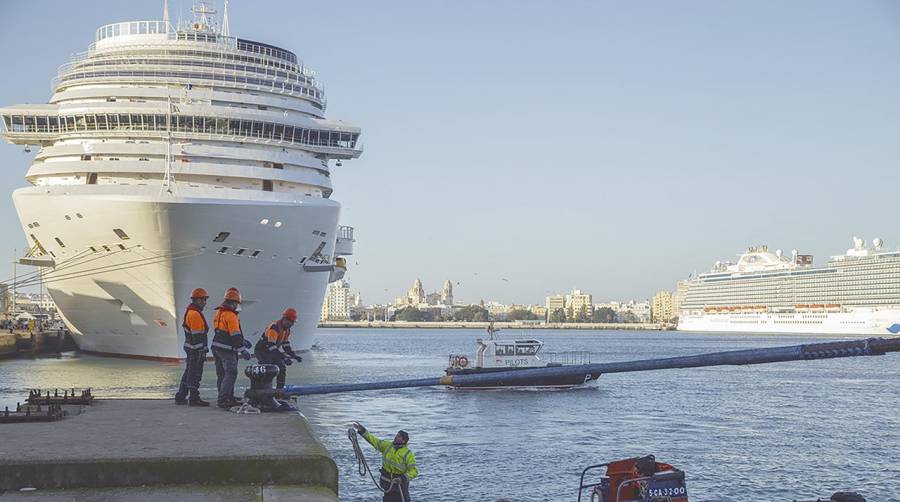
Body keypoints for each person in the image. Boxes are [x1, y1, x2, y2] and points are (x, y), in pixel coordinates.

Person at [352, 422, 418, 502]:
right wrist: (362, 431)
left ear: (404, 441)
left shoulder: (408, 454)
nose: (396, 437)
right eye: (396, 435)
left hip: (400, 484)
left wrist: (402, 478)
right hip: (387, 484)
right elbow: (374, 441)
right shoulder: (387, 446)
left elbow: (414, 471)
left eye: (399, 436)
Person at [211, 287, 252, 408]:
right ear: (234, 303)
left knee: (221, 374)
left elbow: (224, 331)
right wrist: (242, 349)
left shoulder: (219, 313)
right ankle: (224, 399)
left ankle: (226, 396)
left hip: (216, 347)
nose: (236, 306)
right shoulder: (231, 316)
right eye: (236, 303)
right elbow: (234, 335)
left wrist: (243, 341)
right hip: (226, 349)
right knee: (231, 373)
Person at [175, 288, 211, 406]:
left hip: (191, 348)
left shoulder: (191, 312)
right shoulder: (194, 314)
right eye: (204, 300)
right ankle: (194, 398)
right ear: (198, 300)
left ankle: (181, 396)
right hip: (195, 349)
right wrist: (202, 350)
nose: (205, 302)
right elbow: (197, 335)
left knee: (188, 372)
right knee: (194, 374)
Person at [254, 308, 302, 389]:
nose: (292, 324)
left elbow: (286, 345)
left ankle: (280, 390)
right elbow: (271, 346)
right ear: (285, 319)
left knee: (282, 368)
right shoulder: (274, 328)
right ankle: (263, 389)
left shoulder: (286, 330)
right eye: (291, 322)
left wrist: (294, 356)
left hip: (272, 351)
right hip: (262, 351)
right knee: (268, 368)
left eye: (293, 322)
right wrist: (284, 358)